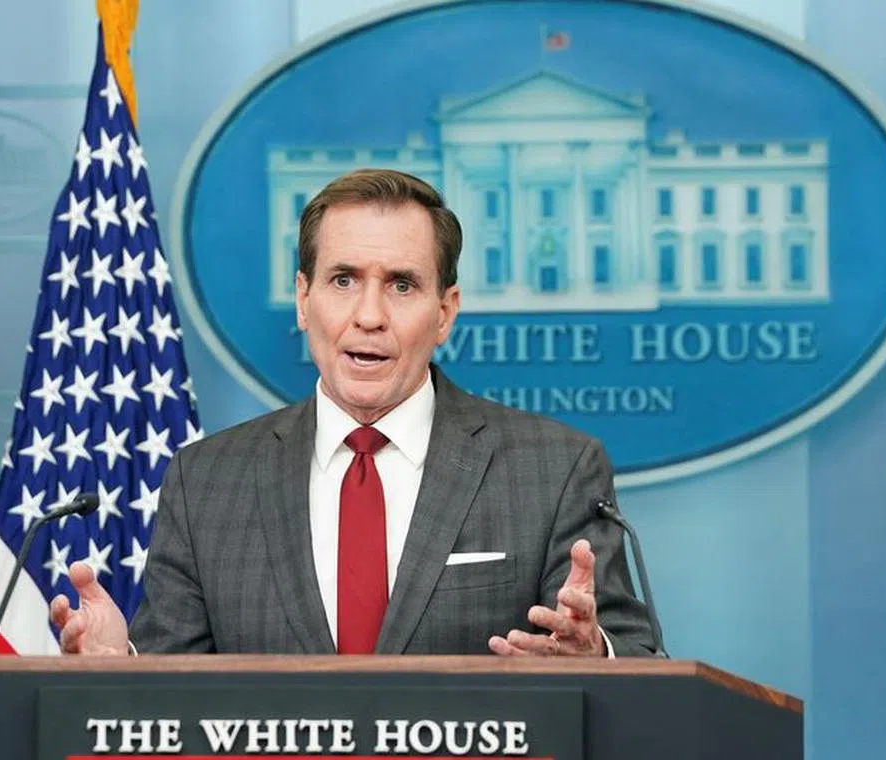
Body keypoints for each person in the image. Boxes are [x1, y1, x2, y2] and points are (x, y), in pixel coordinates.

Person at [50, 168, 658, 657]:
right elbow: (170, 693)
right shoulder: (205, 480)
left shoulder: (553, 470)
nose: (368, 315)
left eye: (401, 285)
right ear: (302, 299)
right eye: (342, 279)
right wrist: (117, 671)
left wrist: (595, 657)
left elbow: (637, 659)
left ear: (445, 312)